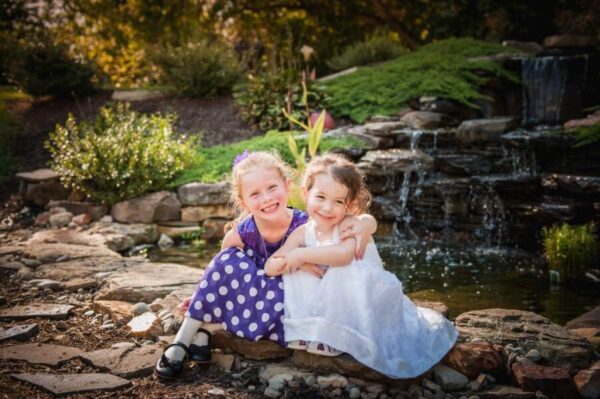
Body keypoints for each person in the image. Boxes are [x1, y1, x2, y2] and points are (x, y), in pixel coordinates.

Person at [155, 151, 377, 379]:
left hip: (284, 301)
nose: (267, 199)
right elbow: (219, 275)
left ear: (288, 186)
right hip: (255, 297)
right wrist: (200, 297)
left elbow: (356, 219)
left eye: (272, 188)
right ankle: (181, 342)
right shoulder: (241, 232)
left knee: (288, 289)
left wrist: (368, 224)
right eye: (255, 194)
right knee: (226, 260)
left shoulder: (308, 223)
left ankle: (206, 330)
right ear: (243, 202)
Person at [264, 154, 458, 379]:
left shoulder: (348, 224)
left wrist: (300, 255)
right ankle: (308, 331)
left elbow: (344, 256)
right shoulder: (301, 232)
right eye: (321, 197)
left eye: (338, 201)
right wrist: (286, 262)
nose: (328, 208)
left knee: (340, 270)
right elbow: (272, 263)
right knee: (296, 271)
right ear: (305, 194)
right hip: (326, 298)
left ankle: (337, 336)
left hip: (361, 295)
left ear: (349, 204)